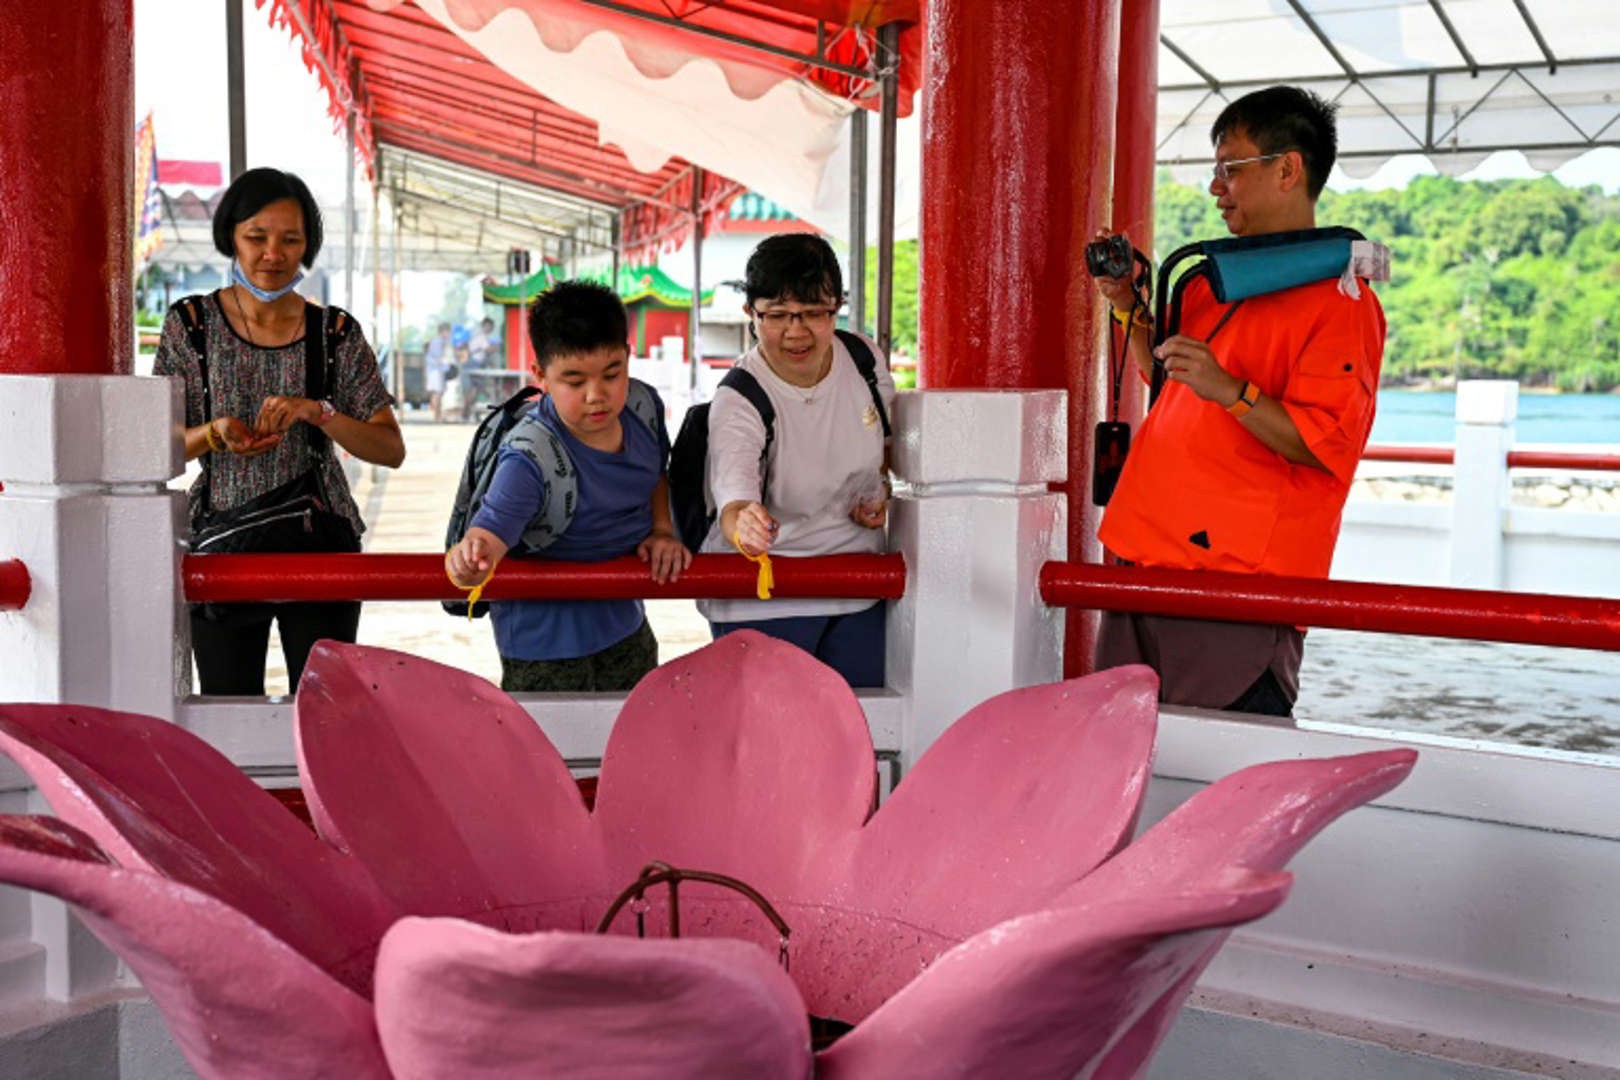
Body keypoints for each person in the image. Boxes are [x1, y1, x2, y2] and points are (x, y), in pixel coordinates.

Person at [1091, 85, 1386, 717]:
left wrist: (1233, 392)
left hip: (1235, 590)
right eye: (1214, 171)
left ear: (1288, 169)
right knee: (1117, 763)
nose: (1216, 187)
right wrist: (1125, 306)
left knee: (1222, 780)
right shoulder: (1213, 279)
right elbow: (1169, 379)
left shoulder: (1342, 304)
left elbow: (1323, 442)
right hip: (1138, 563)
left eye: (1231, 168)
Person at [155, 166, 405, 695]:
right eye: (257, 238)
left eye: (291, 239)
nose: (274, 253)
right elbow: (155, 444)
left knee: (327, 709)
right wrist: (215, 435)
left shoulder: (335, 333)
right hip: (223, 540)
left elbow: (390, 449)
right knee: (226, 704)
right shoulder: (191, 326)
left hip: (320, 540)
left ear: (307, 246)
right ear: (230, 238)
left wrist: (321, 413)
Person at [444, 281, 690, 692]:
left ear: (628, 357)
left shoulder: (643, 407)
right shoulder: (530, 457)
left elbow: (656, 472)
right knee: (550, 756)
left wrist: (663, 531)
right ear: (540, 375)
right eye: (575, 381)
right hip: (542, 649)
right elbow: (487, 533)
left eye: (612, 374)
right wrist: (469, 559)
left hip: (626, 627)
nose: (598, 396)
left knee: (638, 748)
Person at [699, 233, 896, 687]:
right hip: (767, 597)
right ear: (751, 314)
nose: (796, 331)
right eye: (778, 315)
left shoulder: (865, 360)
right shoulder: (740, 398)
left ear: (837, 307)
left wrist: (876, 497)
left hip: (856, 589)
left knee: (862, 735)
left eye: (814, 313)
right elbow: (734, 502)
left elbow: (884, 454)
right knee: (772, 746)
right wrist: (744, 524)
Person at [424, 322, 453, 421]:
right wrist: (444, 360)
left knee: (439, 393)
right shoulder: (437, 342)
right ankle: (437, 416)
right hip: (435, 370)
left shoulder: (444, 341)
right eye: (447, 331)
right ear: (442, 331)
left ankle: (438, 415)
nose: (448, 333)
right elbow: (436, 357)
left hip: (438, 370)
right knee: (437, 393)